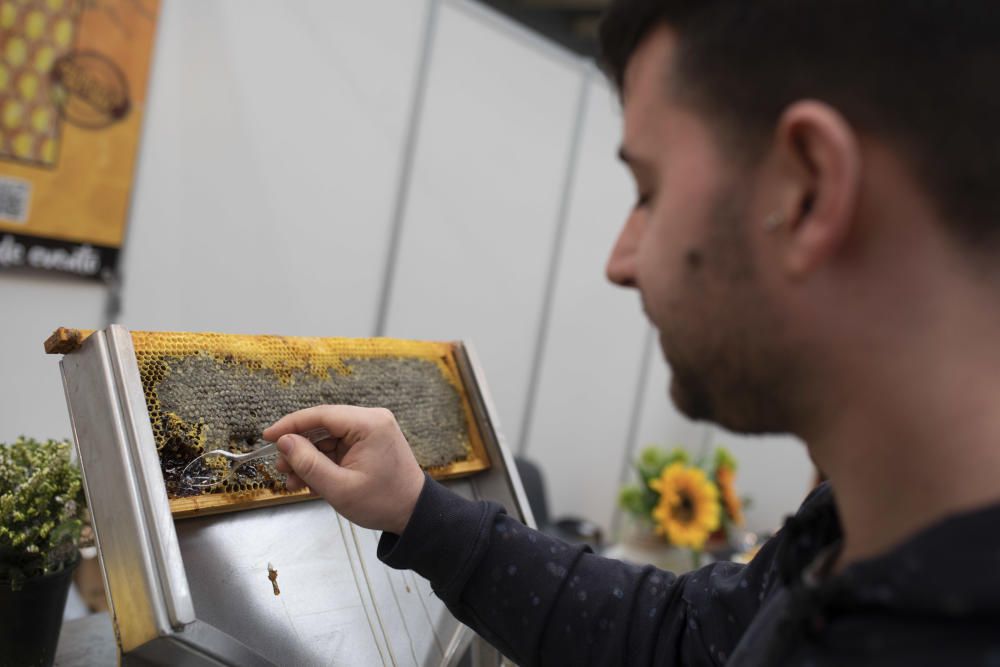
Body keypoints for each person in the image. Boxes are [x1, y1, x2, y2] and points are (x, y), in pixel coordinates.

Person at [264, 1, 1000, 664]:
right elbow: (689, 639)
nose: (621, 261)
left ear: (807, 192)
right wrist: (417, 509)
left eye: (649, 190)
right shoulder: (861, 542)